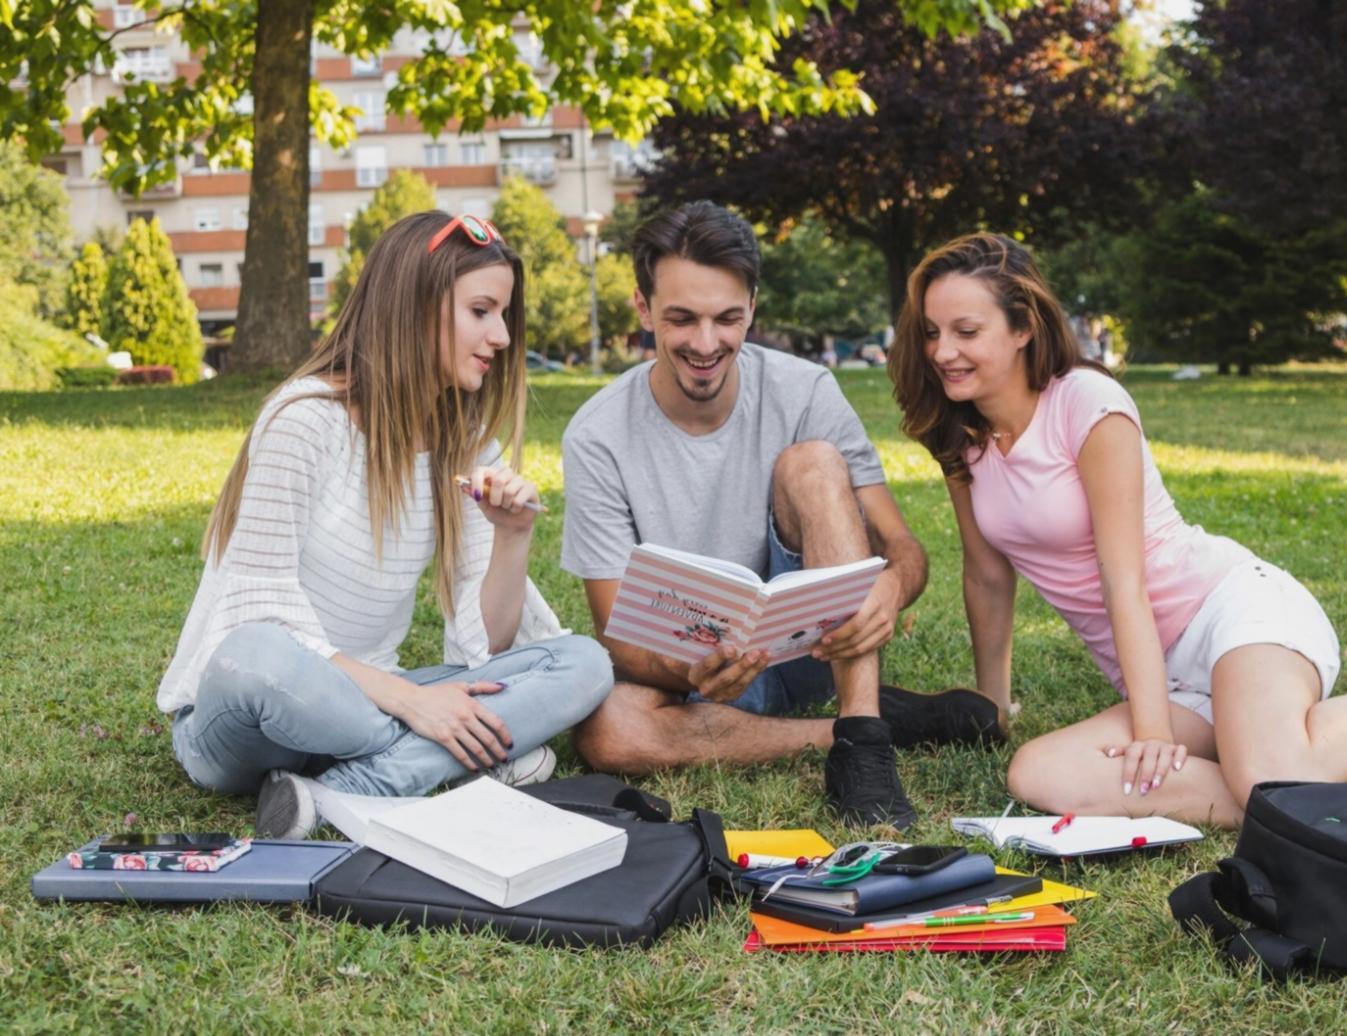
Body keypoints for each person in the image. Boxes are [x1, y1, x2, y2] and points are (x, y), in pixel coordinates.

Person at [888, 232, 1347, 829]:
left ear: (1024, 327)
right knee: (1038, 772)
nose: (943, 351)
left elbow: (1125, 577)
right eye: (933, 332)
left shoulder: (1086, 403)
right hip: (1168, 679)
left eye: (966, 331)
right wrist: (991, 705)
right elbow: (987, 572)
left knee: (1269, 782)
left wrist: (1148, 733)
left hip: (1235, 618)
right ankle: (1280, 789)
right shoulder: (960, 435)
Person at [158, 211, 614, 838]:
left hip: (368, 703)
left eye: (502, 314)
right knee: (263, 653)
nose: (503, 336)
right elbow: (257, 614)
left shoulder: (464, 442)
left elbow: (484, 649)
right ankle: (450, 762)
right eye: (481, 311)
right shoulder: (302, 419)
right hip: (259, 710)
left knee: (583, 662)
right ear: (416, 308)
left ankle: (349, 788)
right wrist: (412, 702)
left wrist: (512, 535)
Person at [561, 202, 1001, 829]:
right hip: (694, 674)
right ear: (642, 308)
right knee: (609, 734)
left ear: (753, 308)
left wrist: (890, 587)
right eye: (681, 319)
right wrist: (690, 668)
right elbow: (620, 642)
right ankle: (862, 724)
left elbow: (903, 548)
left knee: (813, 462)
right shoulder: (598, 435)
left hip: (813, 650)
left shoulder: (805, 389)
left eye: (728, 318)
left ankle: (863, 751)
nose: (706, 343)